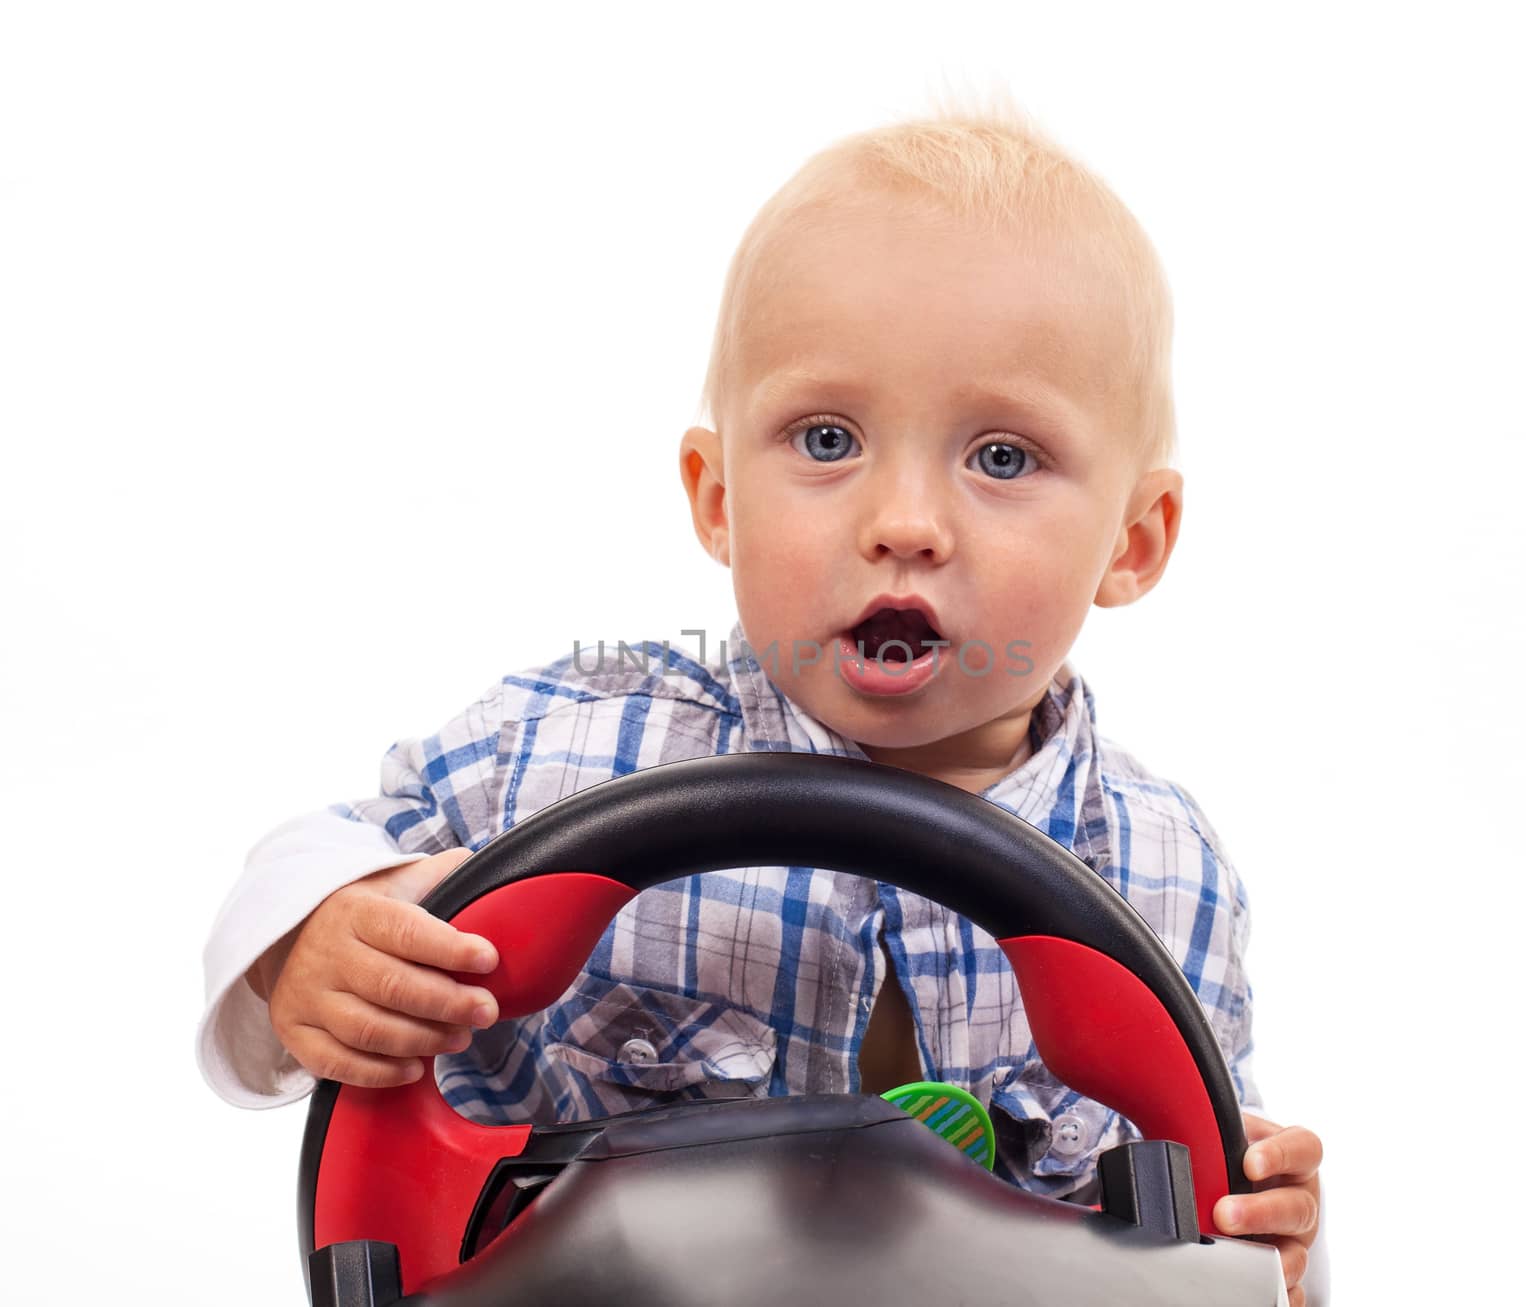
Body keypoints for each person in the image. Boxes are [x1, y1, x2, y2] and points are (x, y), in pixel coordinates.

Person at [198, 96, 1327, 1303]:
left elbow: (1201, 1187)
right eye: (828, 438)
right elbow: (318, 857)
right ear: (718, 494)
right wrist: (316, 935)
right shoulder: (572, 749)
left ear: (1134, 540)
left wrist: (1273, 1218)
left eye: (1001, 457)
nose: (903, 523)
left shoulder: (1164, 871)